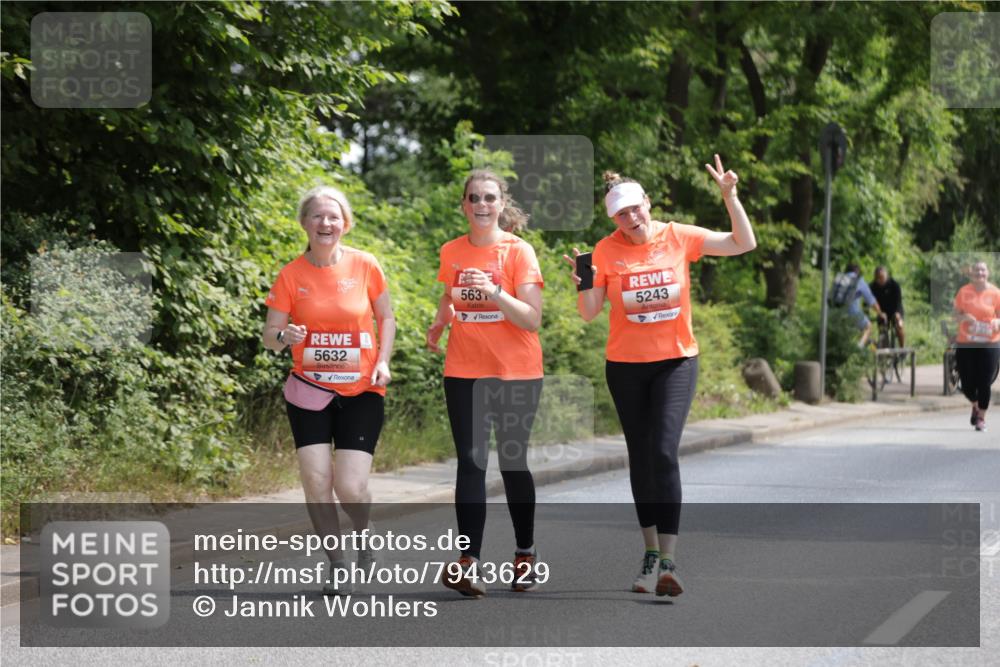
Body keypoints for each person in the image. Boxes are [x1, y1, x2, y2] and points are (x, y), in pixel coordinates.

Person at [563, 155, 756, 597]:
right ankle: (649, 553)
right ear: (612, 218)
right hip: (626, 367)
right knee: (641, 457)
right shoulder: (605, 251)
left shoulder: (678, 236)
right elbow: (591, 314)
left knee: (664, 452)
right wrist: (582, 281)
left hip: (676, 361)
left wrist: (730, 197)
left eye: (636, 208)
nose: (631, 218)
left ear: (648, 203)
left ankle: (669, 560)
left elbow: (743, 243)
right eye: (621, 214)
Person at [262, 185, 395, 595]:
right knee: (316, 480)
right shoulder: (290, 275)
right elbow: (269, 337)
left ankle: (364, 532)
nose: (326, 223)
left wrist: (384, 360)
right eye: (317, 216)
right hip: (308, 390)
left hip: (362, 389)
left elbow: (386, 318)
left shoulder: (366, 265)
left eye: (333, 216)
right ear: (305, 223)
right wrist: (286, 335)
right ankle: (337, 563)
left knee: (349, 486)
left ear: (346, 223)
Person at [426, 169, 544, 597]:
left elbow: (532, 318)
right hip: (463, 370)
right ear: (464, 204)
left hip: (515, 372)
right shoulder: (452, 251)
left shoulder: (518, 252)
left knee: (513, 463)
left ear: (500, 203)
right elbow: (450, 293)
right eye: (473, 197)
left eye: (489, 197)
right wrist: (440, 321)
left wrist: (494, 290)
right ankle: (467, 562)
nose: (481, 204)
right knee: (471, 462)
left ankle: (525, 554)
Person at [953, 260, 1000, 432]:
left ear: (988, 273)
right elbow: (955, 316)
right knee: (966, 383)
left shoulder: (996, 293)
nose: (980, 273)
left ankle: (981, 418)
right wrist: (964, 318)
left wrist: (997, 321)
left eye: (983, 270)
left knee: (984, 382)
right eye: (976, 270)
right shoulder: (963, 292)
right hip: (966, 342)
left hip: (990, 342)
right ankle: (975, 404)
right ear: (972, 274)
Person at [829, 263, 883, 347]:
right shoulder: (859, 280)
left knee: (849, 333)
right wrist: (880, 313)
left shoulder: (839, 279)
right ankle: (858, 350)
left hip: (833, 313)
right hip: (851, 313)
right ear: (857, 271)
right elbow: (871, 301)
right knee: (868, 327)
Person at [871, 266, 905, 347]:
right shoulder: (872, 287)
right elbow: (869, 302)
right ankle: (885, 349)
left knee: (899, 325)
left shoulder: (894, 285)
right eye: (878, 278)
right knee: (883, 330)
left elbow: (898, 302)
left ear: (887, 276)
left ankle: (902, 348)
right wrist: (879, 313)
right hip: (882, 311)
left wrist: (897, 314)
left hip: (895, 310)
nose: (881, 280)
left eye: (882, 277)